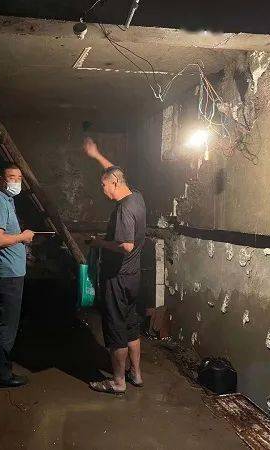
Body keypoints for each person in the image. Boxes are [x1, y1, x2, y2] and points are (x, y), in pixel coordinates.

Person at [83, 137, 147, 395]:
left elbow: (126, 245)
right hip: (133, 276)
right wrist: (97, 155)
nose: (103, 190)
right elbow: (116, 171)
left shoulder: (123, 210)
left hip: (118, 279)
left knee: (115, 329)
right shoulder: (138, 197)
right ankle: (136, 374)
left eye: (104, 185)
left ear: (115, 183)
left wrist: (99, 243)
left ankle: (118, 382)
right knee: (131, 325)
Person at [0, 163, 35, 387]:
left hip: (8, 272)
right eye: (11, 177)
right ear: (0, 180)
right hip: (7, 275)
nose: (16, 181)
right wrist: (23, 237)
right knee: (6, 325)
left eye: (19, 178)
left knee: (1, 322)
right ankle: (2, 376)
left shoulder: (6, 200)